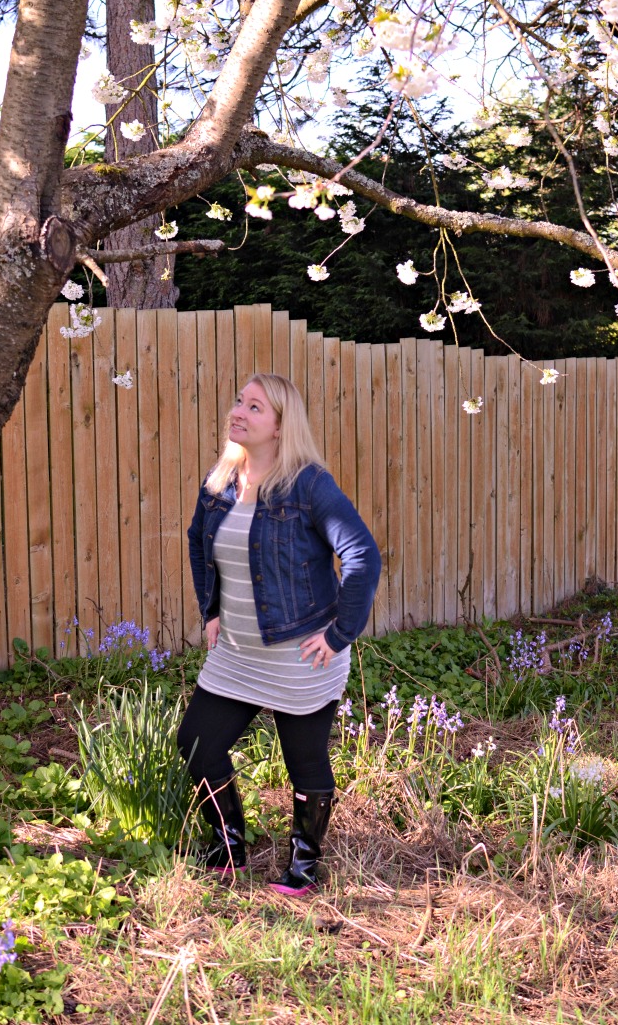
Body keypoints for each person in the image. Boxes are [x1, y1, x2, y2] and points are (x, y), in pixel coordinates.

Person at [178, 373, 381, 897]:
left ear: (279, 426)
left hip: (301, 654)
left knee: (305, 763)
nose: (238, 412)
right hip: (238, 653)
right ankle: (229, 845)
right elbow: (200, 541)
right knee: (198, 743)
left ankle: (305, 864)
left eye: (255, 407)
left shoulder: (309, 484)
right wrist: (213, 611)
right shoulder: (220, 482)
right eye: (238, 401)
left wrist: (339, 636)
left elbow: (362, 556)